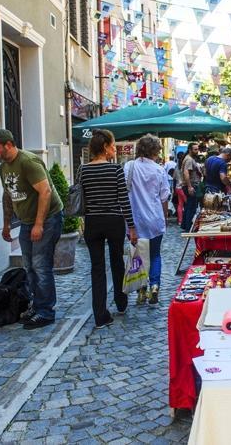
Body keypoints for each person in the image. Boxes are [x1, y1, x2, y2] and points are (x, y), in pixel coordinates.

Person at [0, 129, 64, 330]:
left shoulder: (28, 162)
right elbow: (7, 195)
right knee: (29, 265)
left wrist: (39, 224)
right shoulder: (4, 167)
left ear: (8, 144)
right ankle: (37, 306)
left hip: (48, 218)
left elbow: (45, 192)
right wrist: (6, 224)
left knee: (40, 265)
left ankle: (46, 312)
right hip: (28, 220)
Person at [80, 129, 137, 328]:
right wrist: (132, 227)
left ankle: (100, 314)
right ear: (105, 148)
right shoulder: (115, 170)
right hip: (113, 221)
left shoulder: (83, 170)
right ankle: (121, 302)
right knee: (116, 263)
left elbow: (83, 200)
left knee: (97, 269)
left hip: (93, 222)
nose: (114, 149)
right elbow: (124, 200)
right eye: (112, 145)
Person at [125, 135, 171, 305]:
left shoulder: (129, 167)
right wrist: (165, 218)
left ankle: (141, 289)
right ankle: (154, 286)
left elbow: (124, 192)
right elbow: (164, 197)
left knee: (138, 255)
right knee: (155, 254)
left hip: (134, 220)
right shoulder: (159, 170)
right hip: (155, 218)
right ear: (155, 151)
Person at [181, 142, 202, 231]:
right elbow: (186, 173)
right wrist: (190, 186)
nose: (197, 151)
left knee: (189, 206)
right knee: (191, 207)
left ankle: (185, 225)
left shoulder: (190, 158)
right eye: (195, 149)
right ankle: (189, 227)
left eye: (197, 149)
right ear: (190, 150)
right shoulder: (189, 159)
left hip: (191, 185)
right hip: (191, 185)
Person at [174, 151, 187, 225]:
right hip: (183, 187)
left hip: (177, 187)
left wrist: (174, 190)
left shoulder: (177, 166)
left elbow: (174, 178)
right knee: (187, 204)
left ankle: (180, 220)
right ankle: (185, 220)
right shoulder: (184, 165)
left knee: (180, 204)